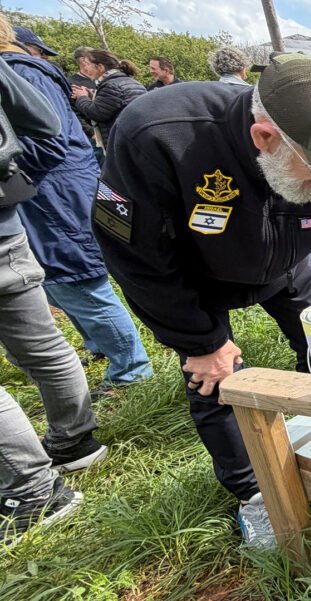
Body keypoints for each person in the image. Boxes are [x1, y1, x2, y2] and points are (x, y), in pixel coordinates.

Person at [92, 53, 311, 547]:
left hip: (287, 267)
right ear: (265, 137)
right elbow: (135, 253)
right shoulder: (159, 132)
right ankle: (254, 494)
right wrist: (200, 339)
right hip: (196, 276)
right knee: (218, 382)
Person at [0, 25, 153, 391]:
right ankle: (100, 345)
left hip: (55, 192)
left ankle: (131, 369)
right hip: (51, 189)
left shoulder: (20, 73)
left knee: (80, 278)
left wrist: (12, 172)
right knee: (59, 280)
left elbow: (49, 142)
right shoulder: (24, 71)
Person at [0, 54, 107, 547]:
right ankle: (73, 439)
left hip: (22, 212)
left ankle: (31, 491)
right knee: (43, 343)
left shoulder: (18, 68)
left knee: (57, 323)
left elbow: (49, 131)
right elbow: (46, 126)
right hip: (6, 227)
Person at [70, 49, 146, 148]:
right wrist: (92, 97)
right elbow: (112, 106)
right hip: (136, 138)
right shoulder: (131, 82)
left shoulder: (111, 85)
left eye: (88, 64)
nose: (86, 68)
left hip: (123, 142)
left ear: (100, 67)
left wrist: (82, 97)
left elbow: (96, 113)